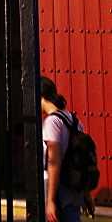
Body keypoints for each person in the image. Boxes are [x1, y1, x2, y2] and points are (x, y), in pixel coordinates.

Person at [41, 77, 95, 222]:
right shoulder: (75, 121)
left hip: (55, 186)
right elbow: (82, 160)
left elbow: (54, 161)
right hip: (74, 185)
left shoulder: (51, 122)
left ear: (41, 97)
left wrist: (50, 200)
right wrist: (86, 194)